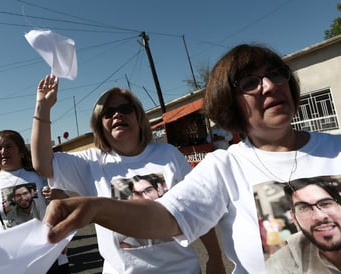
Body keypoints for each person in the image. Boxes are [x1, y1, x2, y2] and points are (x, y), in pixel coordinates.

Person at [40, 43, 341, 273]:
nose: (271, 85)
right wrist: (95, 206)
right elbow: (168, 215)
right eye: (250, 83)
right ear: (228, 102)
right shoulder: (225, 166)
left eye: (277, 74)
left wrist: (212, 257)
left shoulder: (167, 154)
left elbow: (198, 222)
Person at [31, 77, 226, 273]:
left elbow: (197, 209)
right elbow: (43, 164)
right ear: (100, 125)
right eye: (108, 113)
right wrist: (43, 106)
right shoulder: (90, 163)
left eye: (125, 109)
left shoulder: (168, 155)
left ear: (139, 118)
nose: (117, 115)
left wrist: (215, 257)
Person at [0, 130, 70, 274]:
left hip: (49, 258)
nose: (3, 151)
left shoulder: (42, 177)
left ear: (21, 151)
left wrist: (62, 197)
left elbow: (70, 208)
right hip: (11, 264)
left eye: (8, 146)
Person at [266, 176, 341, 273]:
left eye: (325, 203)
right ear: (294, 218)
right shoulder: (285, 261)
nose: (319, 216)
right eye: (304, 208)